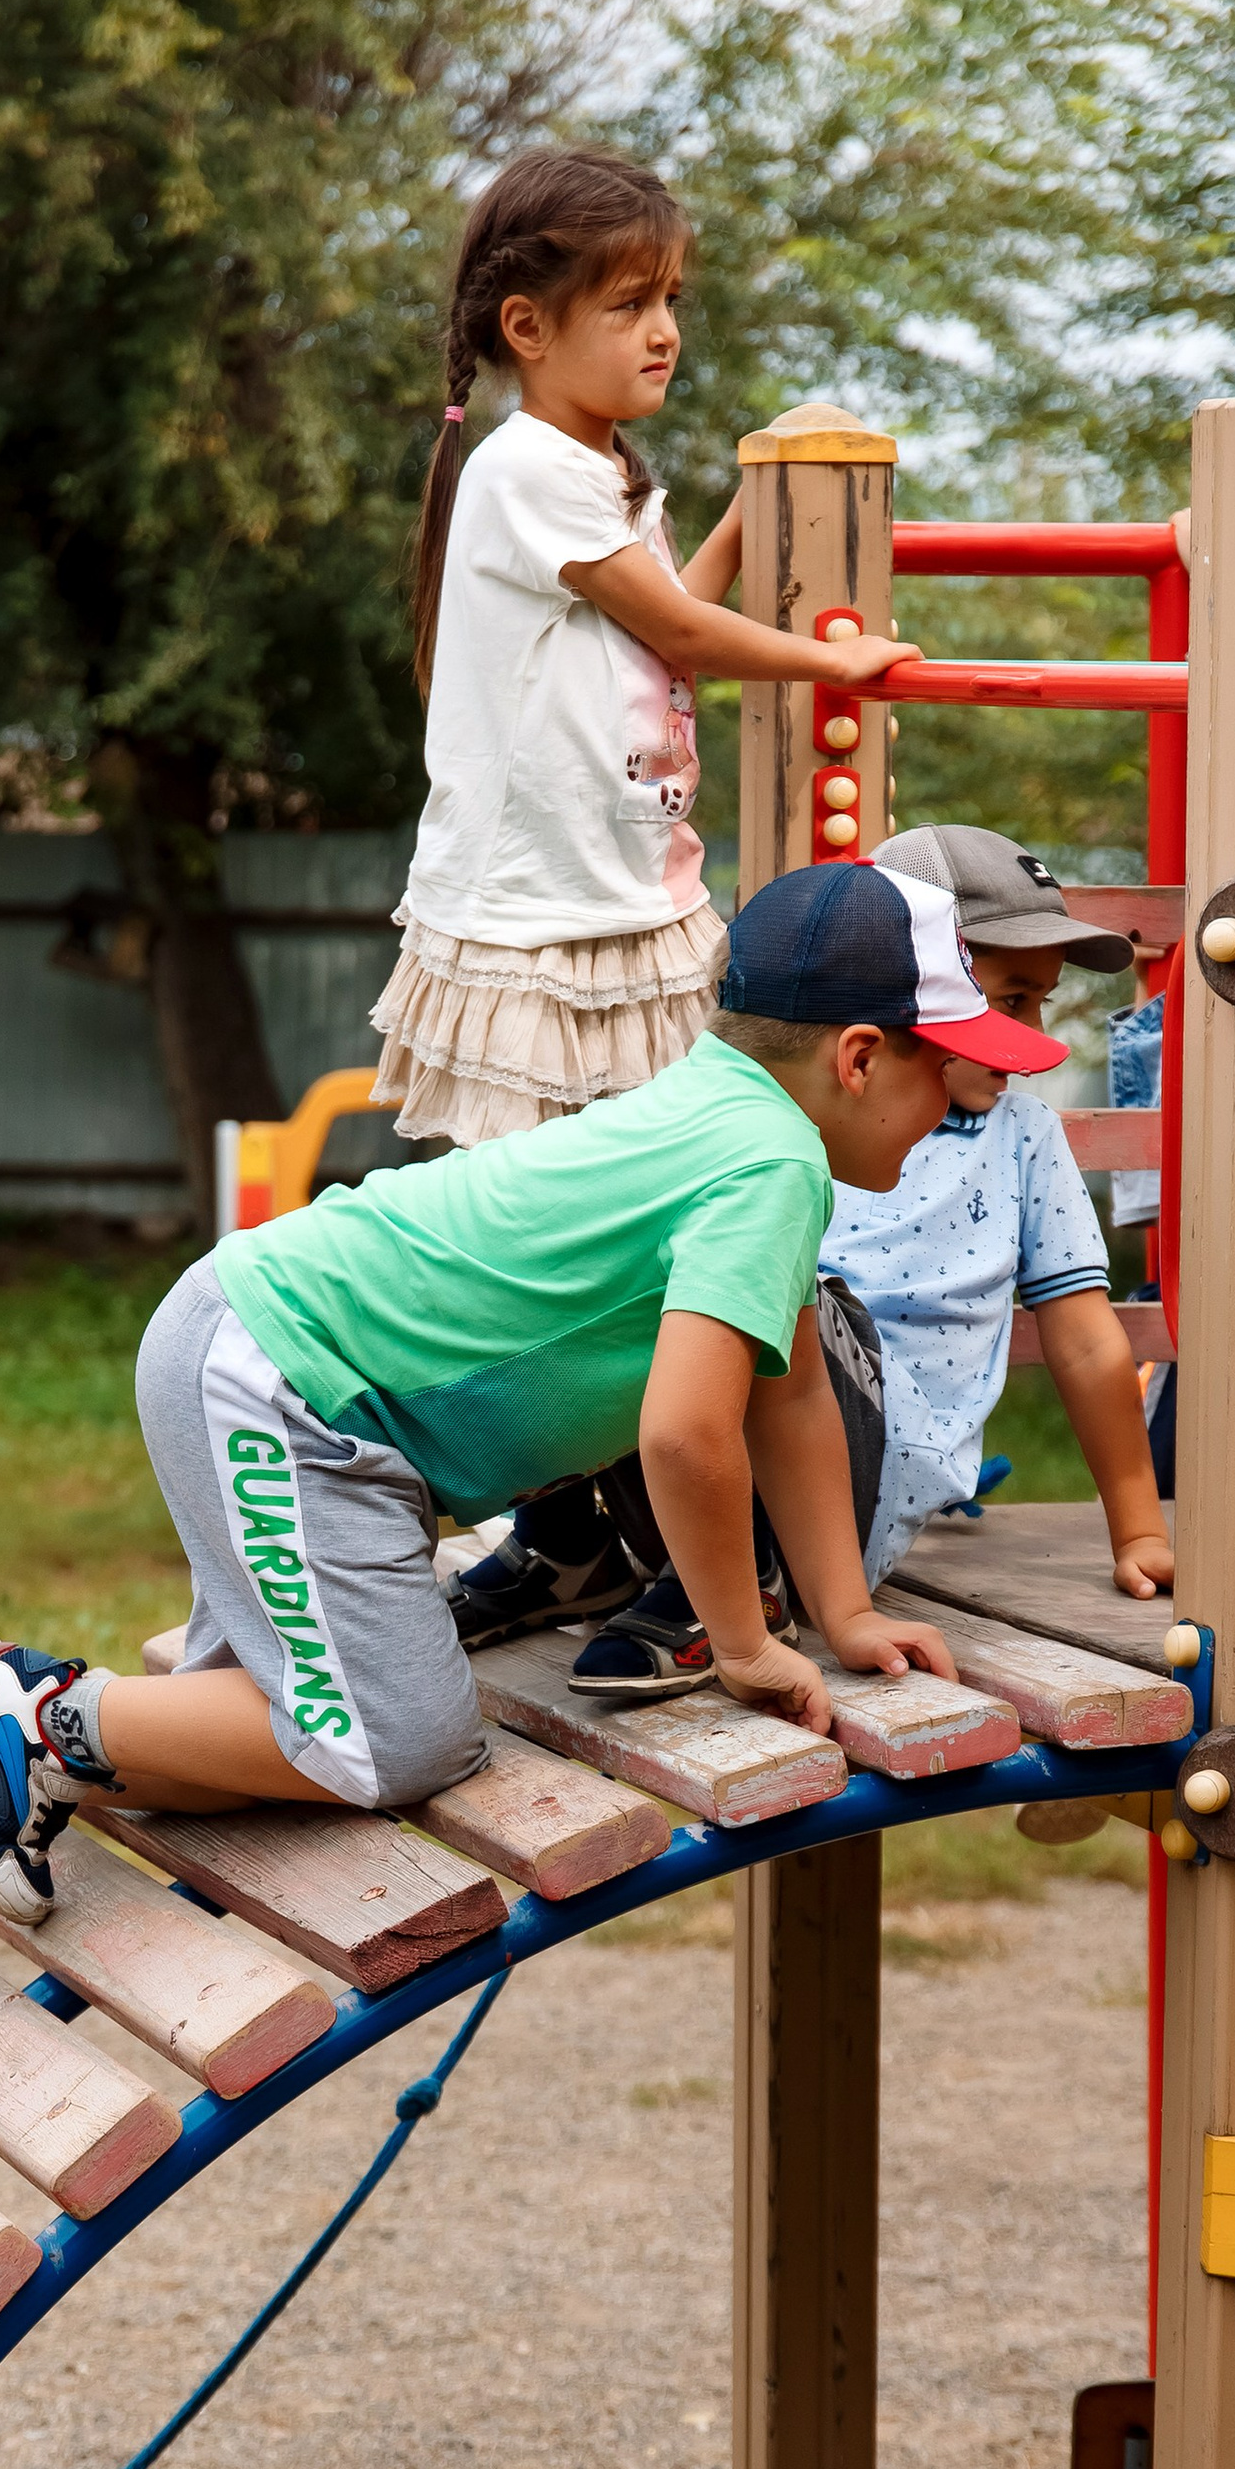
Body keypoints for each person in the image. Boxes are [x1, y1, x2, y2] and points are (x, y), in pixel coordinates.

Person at [0, 860, 1011, 1935]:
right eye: (948, 1062)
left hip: (297, 1381)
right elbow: (689, 1435)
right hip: (287, 1385)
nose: (967, 1096)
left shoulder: (725, 1116)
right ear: (858, 1057)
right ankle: (26, 1723)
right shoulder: (770, 1164)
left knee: (247, 1733)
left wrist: (844, 1613)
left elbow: (790, 1398)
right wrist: (745, 1646)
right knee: (397, 1742)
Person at [379, 140, 918, 1652]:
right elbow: (677, 619)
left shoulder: (601, 475)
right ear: (525, 329)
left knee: (666, 1242)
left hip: (637, 921)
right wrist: (833, 658)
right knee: (563, 1247)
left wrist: (754, 502)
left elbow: (667, 625)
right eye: (627, 303)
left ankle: (672, 1552)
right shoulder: (518, 469)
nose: (664, 330)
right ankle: (591, 1538)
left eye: (669, 297)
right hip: (540, 943)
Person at [792, 821, 1171, 1603]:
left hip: (864, 1474)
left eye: (1038, 1003)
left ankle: (719, 1577)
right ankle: (580, 1548)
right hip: (743, 1439)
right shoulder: (809, 1114)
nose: (1026, 1037)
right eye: (1010, 1000)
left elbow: (1090, 1346)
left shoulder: (1020, 1137)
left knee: (795, 1307)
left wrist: (1140, 1531)